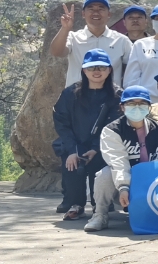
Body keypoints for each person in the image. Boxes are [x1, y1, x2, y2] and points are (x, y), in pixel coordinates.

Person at [84, 85, 158, 232]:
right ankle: (100, 215)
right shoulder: (112, 130)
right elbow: (118, 161)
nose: (137, 107)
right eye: (131, 103)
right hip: (122, 186)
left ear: (149, 107)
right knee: (104, 174)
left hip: (151, 184)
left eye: (142, 103)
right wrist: (124, 187)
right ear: (122, 107)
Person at [52, 49, 122, 219]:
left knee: (100, 169)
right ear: (84, 70)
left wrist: (96, 148)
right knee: (72, 164)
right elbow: (61, 122)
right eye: (91, 68)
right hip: (75, 144)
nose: (96, 72)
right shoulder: (70, 93)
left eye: (101, 67)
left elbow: (116, 125)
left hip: (103, 146)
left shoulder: (117, 95)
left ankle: (101, 203)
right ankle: (74, 203)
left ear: (109, 70)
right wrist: (72, 150)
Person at [50, 0, 131, 87]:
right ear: (83, 14)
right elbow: (56, 52)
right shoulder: (73, 37)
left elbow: (135, 66)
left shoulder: (122, 40)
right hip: (77, 94)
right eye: (91, 9)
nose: (96, 12)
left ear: (109, 14)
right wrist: (65, 28)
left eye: (101, 9)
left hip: (110, 95)